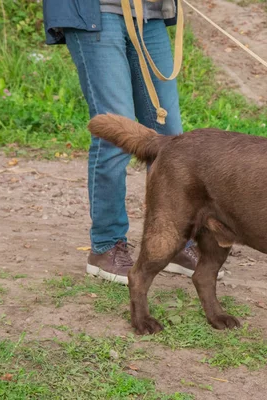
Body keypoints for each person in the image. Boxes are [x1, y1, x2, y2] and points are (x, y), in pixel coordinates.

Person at [43, 0, 222, 284]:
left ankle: (171, 243)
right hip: (94, 12)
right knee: (115, 133)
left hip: (148, 13)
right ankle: (106, 246)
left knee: (171, 141)